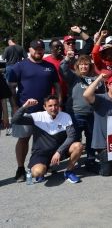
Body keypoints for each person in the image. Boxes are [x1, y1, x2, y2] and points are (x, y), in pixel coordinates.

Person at [8, 39, 61, 182]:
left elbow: (57, 86)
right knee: (23, 139)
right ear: (29, 49)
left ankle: (44, 163)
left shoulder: (49, 67)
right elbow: (11, 88)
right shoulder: (19, 66)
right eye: (36, 48)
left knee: (46, 140)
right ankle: (20, 169)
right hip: (26, 111)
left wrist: (58, 103)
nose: (39, 50)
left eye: (41, 48)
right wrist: (14, 107)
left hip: (45, 112)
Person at [11, 96, 83, 183]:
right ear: (44, 107)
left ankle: (68, 171)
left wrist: (59, 152)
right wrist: (25, 106)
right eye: (50, 106)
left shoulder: (65, 116)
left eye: (56, 105)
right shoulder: (37, 116)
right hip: (41, 153)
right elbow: (15, 120)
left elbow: (71, 136)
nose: (53, 108)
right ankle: (43, 169)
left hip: (59, 152)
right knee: (38, 172)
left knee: (78, 146)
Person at [60, 53, 104, 172]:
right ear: (77, 66)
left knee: (91, 138)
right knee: (74, 139)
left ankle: (90, 160)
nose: (84, 67)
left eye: (86, 64)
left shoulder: (96, 78)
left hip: (91, 114)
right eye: (81, 64)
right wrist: (68, 58)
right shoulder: (73, 77)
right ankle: (72, 162)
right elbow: (62, 68)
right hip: (75, 114)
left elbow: (102, 95)